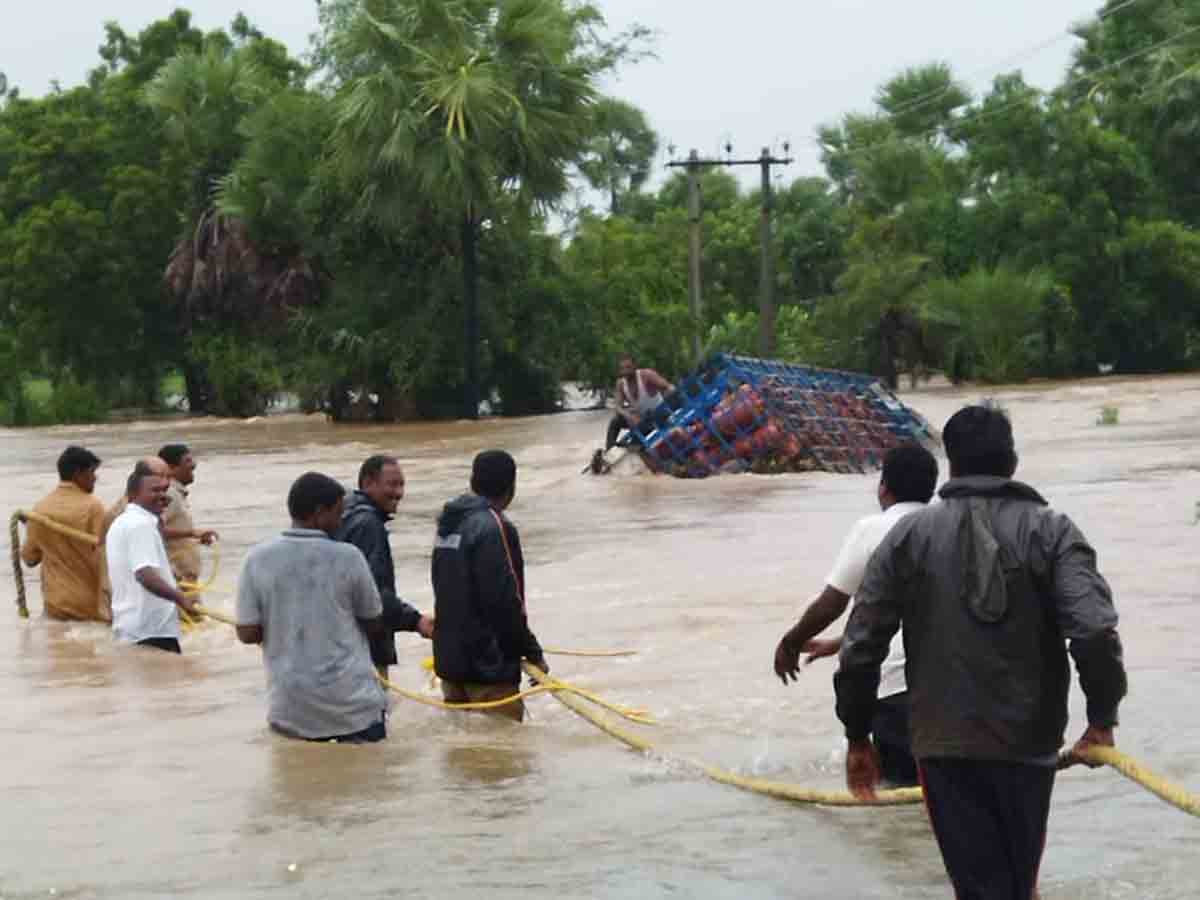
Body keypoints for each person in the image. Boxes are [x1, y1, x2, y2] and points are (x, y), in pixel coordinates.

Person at [834, 405, 1127, 900]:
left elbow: (861, 645)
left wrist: (858, 736)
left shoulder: (909, 536)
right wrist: (1102, 718)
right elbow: (1095, 632)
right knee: (1016, 884)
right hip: (1027, 742)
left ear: (951, 464)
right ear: (1012, 460)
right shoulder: (1053, 531)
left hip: (942, 744)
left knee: (982, 887)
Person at [773, 444, 938, 786]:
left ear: (884, 488)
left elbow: (833, 602)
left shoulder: (872, 529)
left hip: (895, 690)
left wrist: (792, 641)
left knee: (896, 806)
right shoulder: (950, 528)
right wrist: (838, 642)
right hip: (956, 690)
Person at [236, 472, 388, 743]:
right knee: (366, 782)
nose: (341, 520)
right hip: (351, 705)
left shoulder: (256, 558)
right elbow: (374, 620)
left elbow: (247, 633)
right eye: (338, 513)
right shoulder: (349, 556)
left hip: (290, 707)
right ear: (319, 513)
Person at [431, 450, 548, 722]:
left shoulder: (448, 523)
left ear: (474, 481)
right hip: (489, 668)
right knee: (503, 760)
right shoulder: (494, 526)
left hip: (451, 665)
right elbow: (504, 601)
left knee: (465, 755)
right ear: (511, 486)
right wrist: (532, 652)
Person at [335, 455, 434, 678]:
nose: (399, 493)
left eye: (402, 485)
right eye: (392, 484)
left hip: (337, 647)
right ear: (368, 483)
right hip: (364, 651)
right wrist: (416, 621)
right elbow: (375, 595)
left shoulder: (342, 516)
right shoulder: (369, 525)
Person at [106, 464, 198, 653]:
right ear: (132, 495)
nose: (163, 495)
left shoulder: (124, 521)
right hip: (151, 631)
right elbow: (144, 574)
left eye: (164, 490)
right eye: (154, 491)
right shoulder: (141, 525)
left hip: (132, 628)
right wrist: (180, 598)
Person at [20, 446, 108, 621]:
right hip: (88, 604)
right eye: (92, 472)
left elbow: (29, 558)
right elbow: (106, 555)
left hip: (55, 603)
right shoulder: (93, 507)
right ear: (78, 474)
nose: (95, 478)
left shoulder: (40, 508)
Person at [99, 456, 171, 620]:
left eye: (167, 477)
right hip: (133, 600)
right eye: (161, 475)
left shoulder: (153, 509)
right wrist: (178, 597)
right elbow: (142, 572)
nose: (166, 481)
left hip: (150, 598)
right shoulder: (129, 516)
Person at [157, 444, 219, 586]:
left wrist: (194, 538)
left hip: (183, 579)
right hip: (177, 580)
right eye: (188, 461)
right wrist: (193, 533)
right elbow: (154, 528)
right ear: (171, 468)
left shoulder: (175, 493)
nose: (194, 465)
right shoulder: (170, 493)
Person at [605, 354, 675, 451]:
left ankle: (636, 446)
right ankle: (609, 450)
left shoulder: (646, 375)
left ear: (635, 366)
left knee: (642, 428)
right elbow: (617, 406)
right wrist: (629, 415)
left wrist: (669, 403)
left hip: (658, 415)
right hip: (640, 419)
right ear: (620, 371)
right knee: (615, 421)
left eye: (628, 367)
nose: (626, 371)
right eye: (623, 369)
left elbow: (669, 387)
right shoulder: (621, 383)